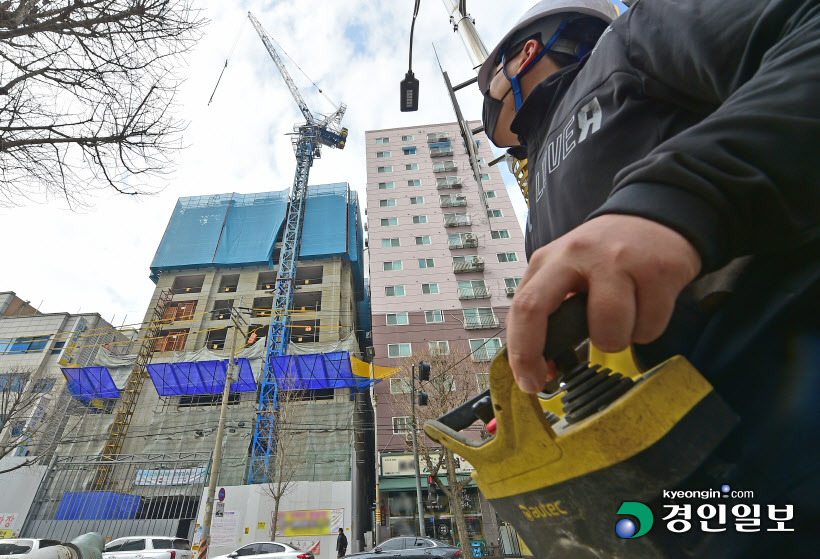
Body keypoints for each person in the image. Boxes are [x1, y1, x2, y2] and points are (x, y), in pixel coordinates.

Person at [479, 0, 819, 556]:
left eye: (485, 79)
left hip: (788, 362)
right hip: (679, 454)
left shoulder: (634, 40)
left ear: (524, 54)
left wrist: (678, 199)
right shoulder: (537, 200)